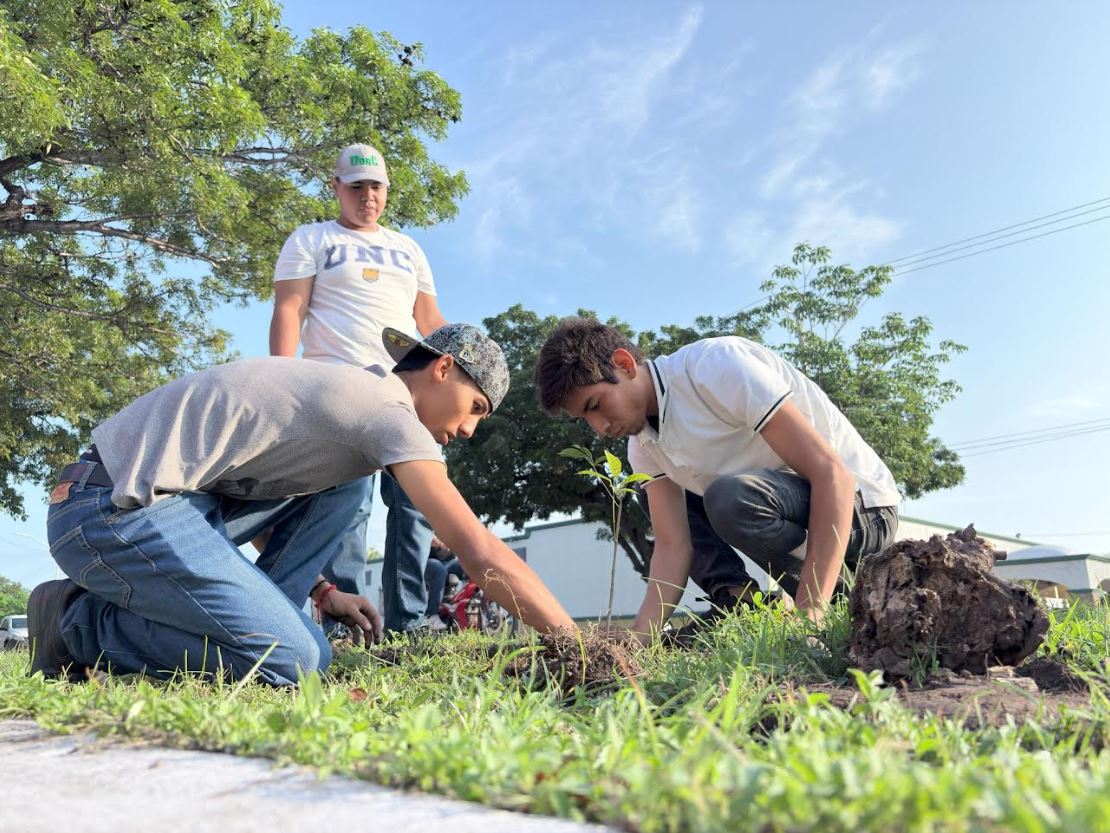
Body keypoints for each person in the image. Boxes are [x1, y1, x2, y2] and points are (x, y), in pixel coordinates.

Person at [29, 324, 575, 685]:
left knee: (348, 487)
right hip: (110, 510)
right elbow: (476, 550)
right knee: (296, 660)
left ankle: (274, 616)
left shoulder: (350, 404)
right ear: (443, 368)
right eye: (476, 406)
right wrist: (574, 645)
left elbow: (245, 499)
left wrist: (322, 590)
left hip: (161, 504)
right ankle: (76, 624)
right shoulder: (387, 412)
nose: (471, 429)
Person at [533, 317, 900, 642]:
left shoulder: (714, 367)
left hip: (862, 509)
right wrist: (640, 637)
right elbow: (673, 546)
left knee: (730, 497)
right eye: (585, 419)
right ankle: (740, 603)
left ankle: (829, 603)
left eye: (596, 405)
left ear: (624, 364)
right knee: (657, 493)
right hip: (794, 515)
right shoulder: (642, 446)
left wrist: (810, 616)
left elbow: (832, 475)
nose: (599, 428)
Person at [269, 143, 446, 634]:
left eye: (376, 187)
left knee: (415, 507)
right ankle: (347, 625)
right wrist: (280, 381)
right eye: (357, 186)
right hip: (337, 391)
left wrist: (457, 373)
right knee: (346, 509)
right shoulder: (312, 239)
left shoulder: (408, 249)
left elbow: (429, 321)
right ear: (337, 188)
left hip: (405, 392)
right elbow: (289, 310)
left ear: (387, 190)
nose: (368, 196)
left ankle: (408, 625)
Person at [422, 535, 465, 628]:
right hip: (426, 561)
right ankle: (432, 615)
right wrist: (441, 543)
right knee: (439, 569)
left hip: (450, 562)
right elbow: (427, 536)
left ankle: (478, 607)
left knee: (469, 565)